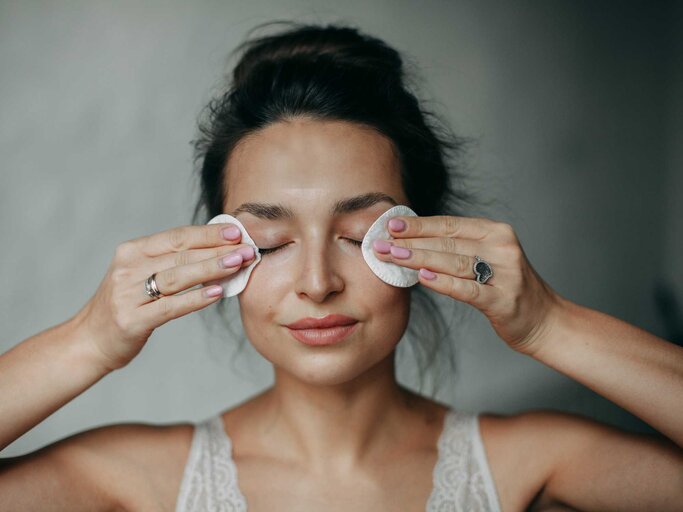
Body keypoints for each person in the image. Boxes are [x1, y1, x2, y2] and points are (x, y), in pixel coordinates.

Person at [1, 21, 681, 512]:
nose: (317, 282)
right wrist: (89, 340)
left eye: (359, 233)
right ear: (218, 255)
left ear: (427, 239)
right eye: (268, 241)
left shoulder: (528, 463)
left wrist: (548, 325)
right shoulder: (134, 479)